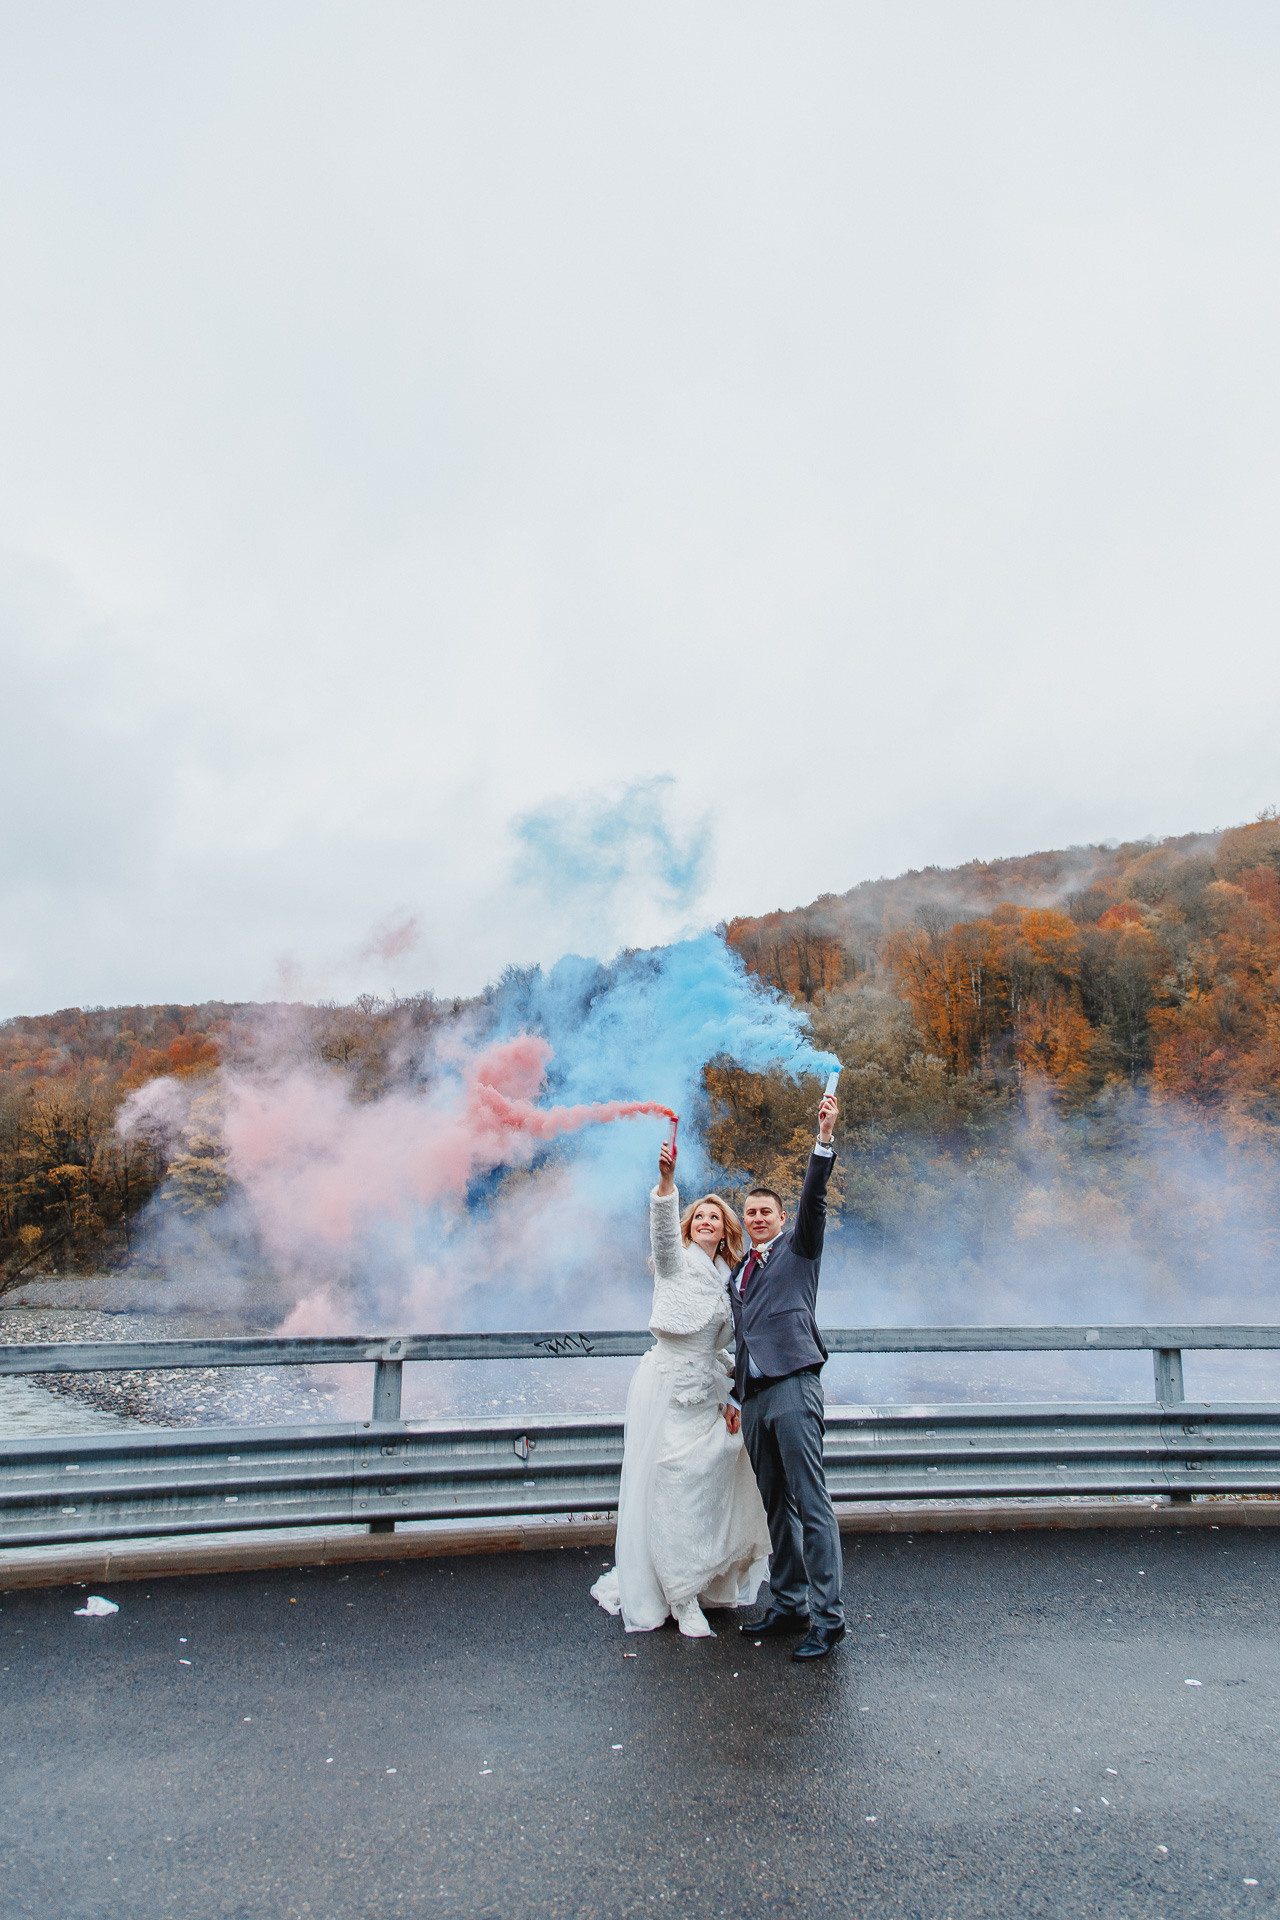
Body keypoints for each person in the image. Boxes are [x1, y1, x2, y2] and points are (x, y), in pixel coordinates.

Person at [591, 1142, 771, 1637]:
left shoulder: (730, 1279)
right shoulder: (675, 1262)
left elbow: (734, 1345)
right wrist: (668, 1184)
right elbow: (662, 1233)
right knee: (673, 1487)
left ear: (726, 1229)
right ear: (689, 1225)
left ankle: (707, 1577)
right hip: (669, 1390)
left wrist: (735, 1396)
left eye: (716, 1217)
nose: (707, 1221)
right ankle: (679, 1594)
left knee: (718, 1481)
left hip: (710, 1393)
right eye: (700, 1216)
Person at [727, 1090, 845, 1661]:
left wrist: (823, 1138)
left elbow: (814, 1197)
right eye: (749, 1213)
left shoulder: (800, 1249)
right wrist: (735, 1393)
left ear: (779, 1218)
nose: (757, 1218)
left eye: (765, 1212)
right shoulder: (739, 1274)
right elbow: (741, 1336)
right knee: (777, 1505)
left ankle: (829, 1618)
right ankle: (790, 1603)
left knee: (811, 1503)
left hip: (796, 1384)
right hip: (753, 1397)